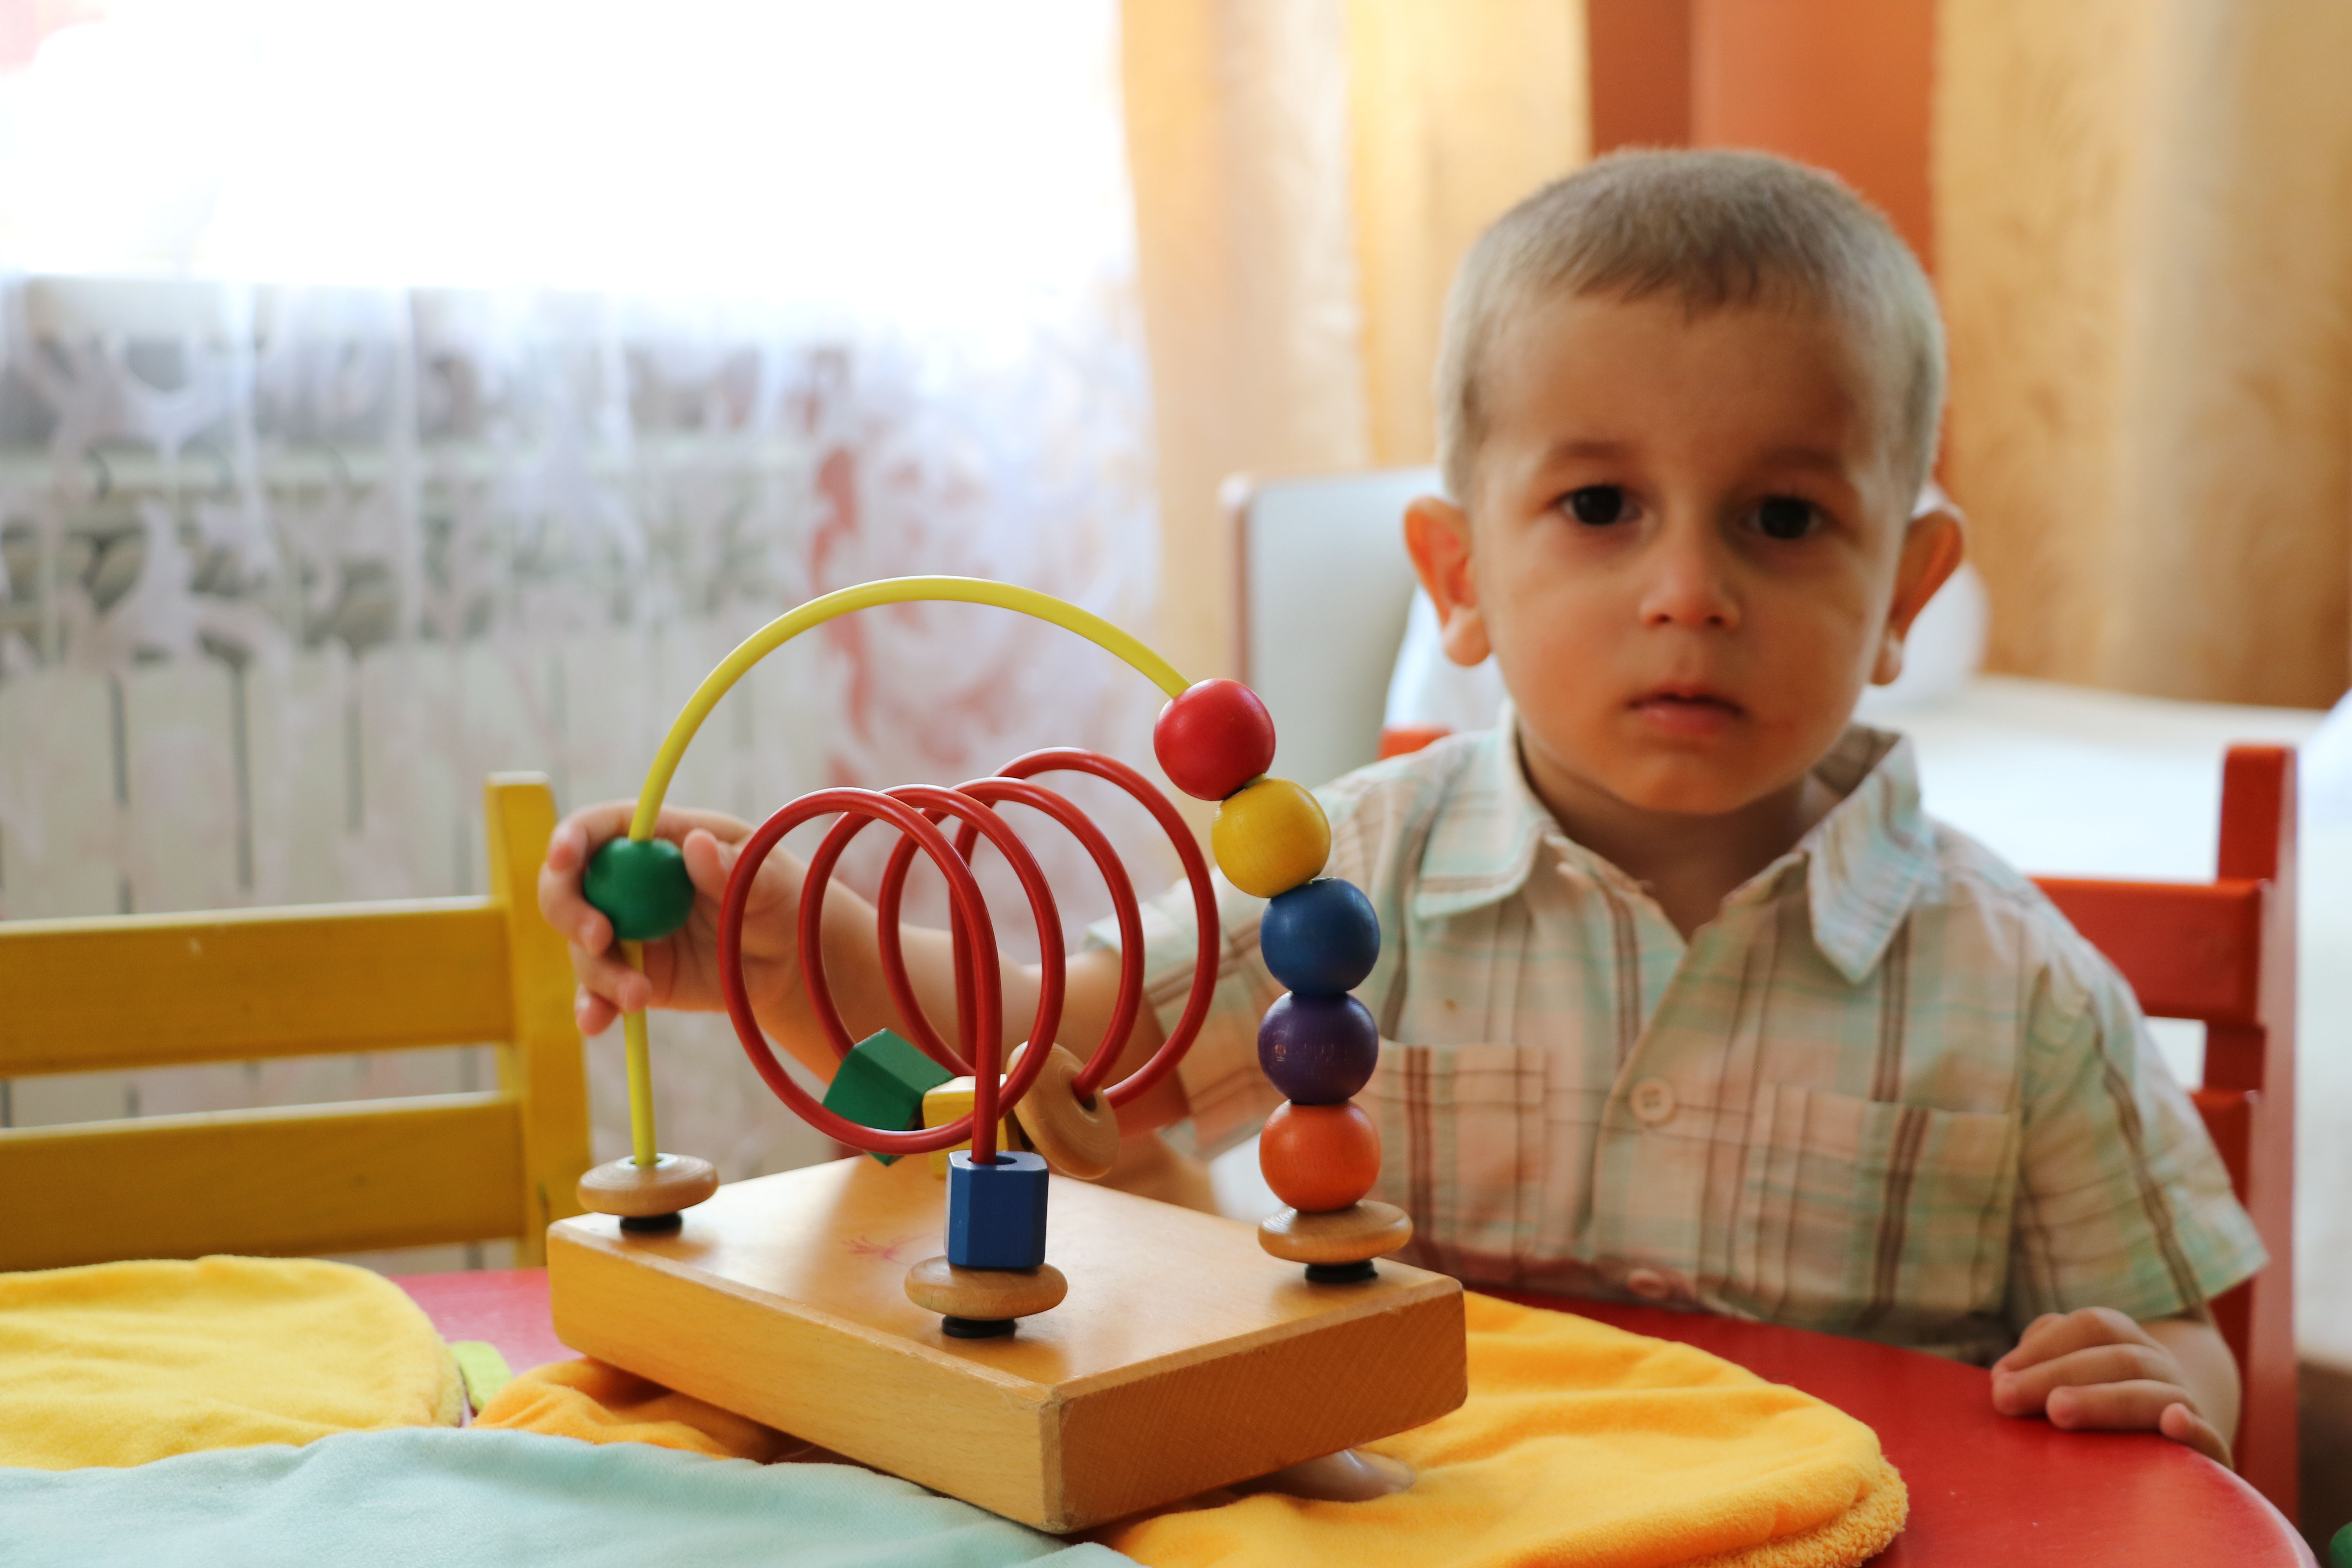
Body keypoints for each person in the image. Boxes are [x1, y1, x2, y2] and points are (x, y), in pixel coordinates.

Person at [540, 149, 2261, 1468]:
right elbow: (1058, 1042)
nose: (1689, 589)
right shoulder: (1351, 877)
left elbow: (2181, 1343)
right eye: (1601, 507)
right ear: (1458, 577)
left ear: (1908, 591)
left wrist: (2164, 1380)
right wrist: (793, 937)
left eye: (1785, 520)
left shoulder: (2019, 984)